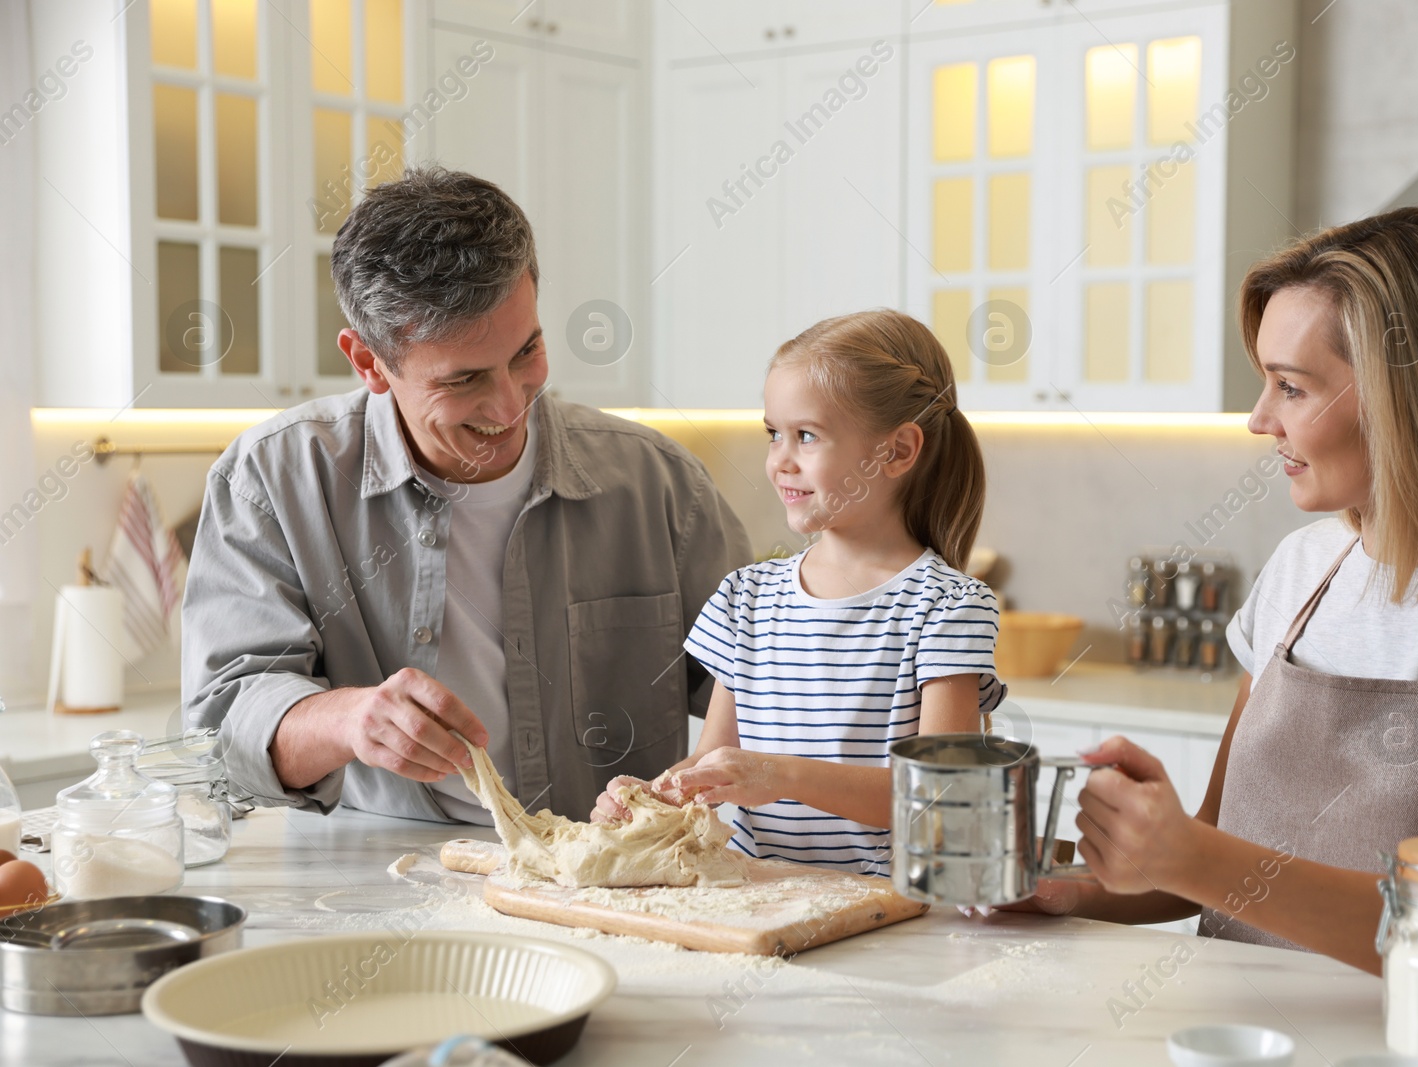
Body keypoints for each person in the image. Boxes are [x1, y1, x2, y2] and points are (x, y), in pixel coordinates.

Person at [1004, 206, 1418, 974]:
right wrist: (1070, 886)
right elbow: (1214, 862)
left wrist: (1194, 856)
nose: (1259, 419)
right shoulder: (1300, 570)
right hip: (1231, 1039)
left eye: (1290, 386)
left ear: (1404, 401)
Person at [182, 166, 751, 824]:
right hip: (384, 885)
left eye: (527, 350)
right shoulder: (272, 479)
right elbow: (222, 728)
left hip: (609, 887)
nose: (510, 404)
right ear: (368, 362)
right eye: (464, 379)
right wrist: (349, 719)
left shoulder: (657, 483)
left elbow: (767, 686)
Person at [591, 309, 1006, 876]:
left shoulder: (947, 608)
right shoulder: (746, 598)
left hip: (883, 917)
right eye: (773, 434)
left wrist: (779, 774)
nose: (779, 461)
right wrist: (652, 796)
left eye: (806, 435)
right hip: (754, 900)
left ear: (899, 451)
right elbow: (711, 767)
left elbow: (938, 795)